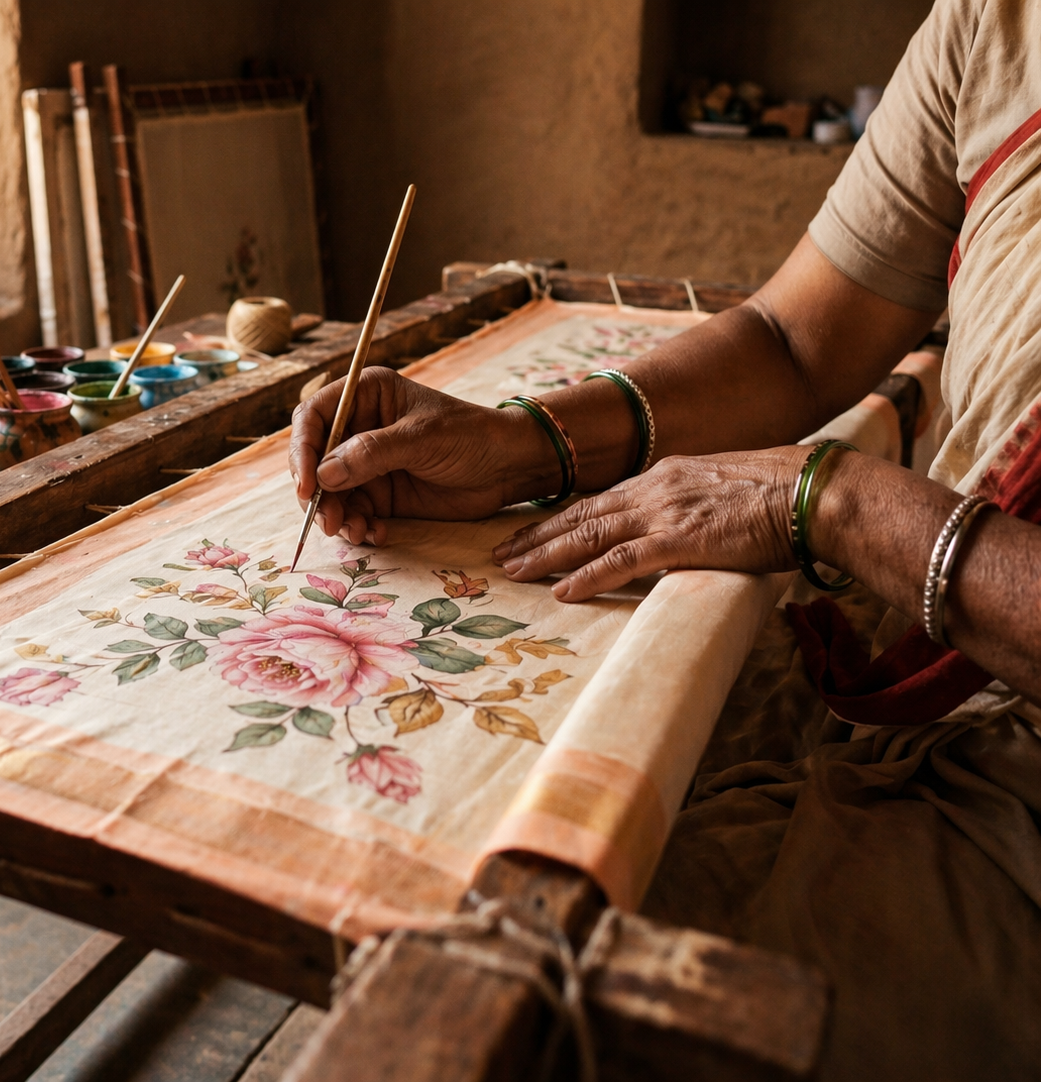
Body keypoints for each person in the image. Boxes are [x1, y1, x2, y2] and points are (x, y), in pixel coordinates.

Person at [291, 0, 1041, 1076]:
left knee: (553, 1016)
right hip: (940, 672)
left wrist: (831, 501)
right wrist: (518, 446)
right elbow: (790, 341)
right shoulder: (991, 26)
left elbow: (819, 473)